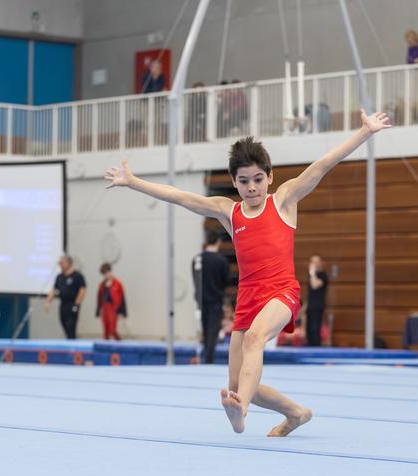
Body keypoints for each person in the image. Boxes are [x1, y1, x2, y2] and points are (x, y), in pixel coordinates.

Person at [105, 108, 390, 436]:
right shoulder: (230, 212)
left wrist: (365, 132)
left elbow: (323, 164)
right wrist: (133, 182)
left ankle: (239, 412)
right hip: (248, 299)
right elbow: (182, 197)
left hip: (282, 292)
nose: (251, 188)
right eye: (243, 181)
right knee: (238, 381)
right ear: (235, 182)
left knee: (255, 343)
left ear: (270, 177)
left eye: (257, 179)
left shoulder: (283, 200)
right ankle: (295, 413)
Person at [192, 230, 230, 363]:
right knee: (212, 332)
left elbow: (196, 280)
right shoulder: (222, 261)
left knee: (206, 330)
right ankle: (208, 360)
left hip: (201, 301)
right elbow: (225, 282)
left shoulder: (197, 259)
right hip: (215, 300)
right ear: (218, 242)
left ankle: (206, 358)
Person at [44, 255, 86, 339]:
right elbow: (54, 290)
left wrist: (76, 304)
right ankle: (69, 340)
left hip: (72, 304)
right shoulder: (59, 277)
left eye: (62, 263)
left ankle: (72, 345)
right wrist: (48, 301)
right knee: (64, 325)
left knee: (71, 327)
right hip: (63, 305)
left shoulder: (77, 276)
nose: (60, 265)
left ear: (68, 263)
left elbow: (82, 290)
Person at [96, 263, 127, 340]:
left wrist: (123, 312)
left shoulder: (117, 283)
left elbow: (122, 298)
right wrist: (98, 310)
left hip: (114, 308)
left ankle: (119, 343)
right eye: (104, 274)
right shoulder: (102, 284)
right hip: (105, 307)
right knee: (106, 331)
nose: (106, 275)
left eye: (107, 273)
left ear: (110, 272)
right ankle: (105, 347)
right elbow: (99, 298)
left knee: (112, 330)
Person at [306, 255, 328, 347]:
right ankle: (309, 347)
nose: (315, 264)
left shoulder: (323, 276)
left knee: (315, 330)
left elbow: (315, 285)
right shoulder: (312, 276)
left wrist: (312, 273)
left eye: (317, 262)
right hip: (310, 307)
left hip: (317, 307)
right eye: (313, 262)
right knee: (309, 331)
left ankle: (316, 348)